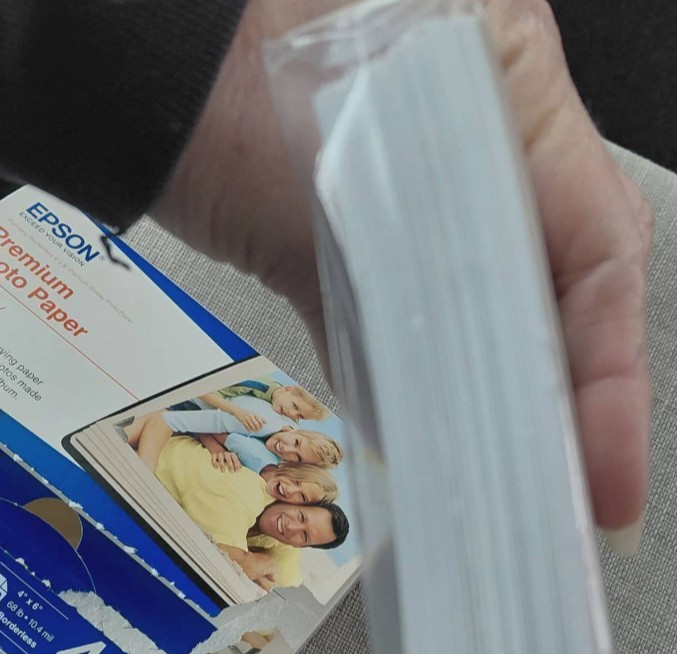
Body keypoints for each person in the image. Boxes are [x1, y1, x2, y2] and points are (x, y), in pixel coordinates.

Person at [1, 0, 653, 553]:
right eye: (309, 484)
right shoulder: (251, 432)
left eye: (302, 517)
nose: (294, 498)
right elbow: (168, 424)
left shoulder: (256, 498)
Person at [154, 434, 349, 590]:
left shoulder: (278, 540)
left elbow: (287, 590)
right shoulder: (248, 491)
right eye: (301, 517)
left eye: (304, 536)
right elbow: (222, 560)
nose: (292, 526)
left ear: (302, 546)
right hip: (151, 463)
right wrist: (264, 564)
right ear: (298, 505)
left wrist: (269, 573)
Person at [119, 411, 344, 470]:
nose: (285, 449)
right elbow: (172, 420)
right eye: (296, 443)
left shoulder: (268, 458)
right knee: (155, 416)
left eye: (297, 457)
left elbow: (210, 431)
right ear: (298, 431)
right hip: (179, 413)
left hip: (190, 426)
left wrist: (216, 447)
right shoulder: (262, 421)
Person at [172, 378, 328, 431]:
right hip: (190, 402)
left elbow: (293, 426)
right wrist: (237, 412)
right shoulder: (257, 384)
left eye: (300, 416)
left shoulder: (287, 409)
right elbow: (201, 390)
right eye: (295, 406)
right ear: (287, 389)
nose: (292, 414)